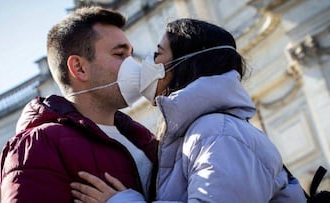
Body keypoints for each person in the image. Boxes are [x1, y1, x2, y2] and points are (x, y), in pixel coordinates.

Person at [70, 18, 307, 202]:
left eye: (157, 54)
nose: (145, 65)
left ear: (183, 63)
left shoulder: (219, 134)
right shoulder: (202, 132)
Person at [0, 7, 158, 203]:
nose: (133, 65)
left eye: (131, 54)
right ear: (79, 68)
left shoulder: (143, 137)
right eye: (120, 55)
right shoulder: (36, 147)